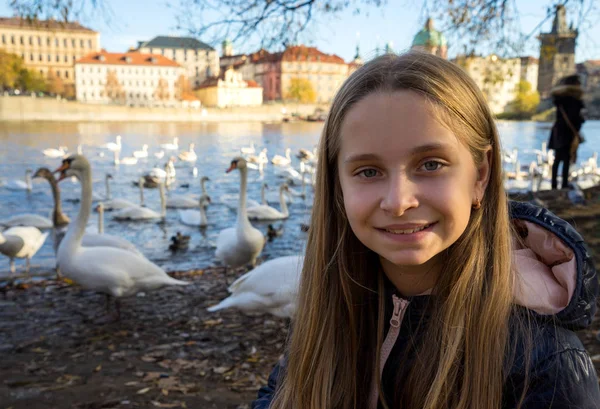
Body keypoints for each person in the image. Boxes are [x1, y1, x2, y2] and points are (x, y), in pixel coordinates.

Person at [252, 52, 600, 409]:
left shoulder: (546, 368)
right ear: (337, 186)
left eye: (431, 164)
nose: (398, 202)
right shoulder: (328, 309)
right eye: (368, 171)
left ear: (480, 176)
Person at [548, 74, 585, 189]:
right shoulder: (575, 101)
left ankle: (554, 185)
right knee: (566, 159)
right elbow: (576, 118)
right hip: (567, 133)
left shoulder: (560, 99)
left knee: (558, 159)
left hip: (558, 132)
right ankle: (563, 185)